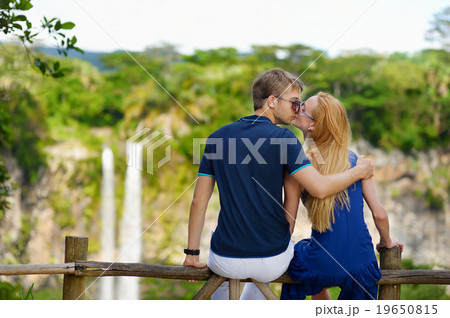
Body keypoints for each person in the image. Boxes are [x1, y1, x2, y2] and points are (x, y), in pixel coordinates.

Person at [182, 69, 374, 300]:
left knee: (222, 278)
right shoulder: (285, 140)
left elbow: (199, 201)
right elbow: (319, 188)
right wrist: (359, 171)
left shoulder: (216, 138)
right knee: (272, 268)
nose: (297, 109)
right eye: (294, 103)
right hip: (272, 260)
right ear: (272, 101)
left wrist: (192, 253)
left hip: (226, 258)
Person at [281, 92, 404, 300]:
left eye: (303, 108)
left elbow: (288, 226)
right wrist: (386, 241)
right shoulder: (358, 161)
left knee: (301, 252)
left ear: (313, 126)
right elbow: (380, 214)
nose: (297, 108)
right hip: (363, 263)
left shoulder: (299, 166)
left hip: (323, 261)